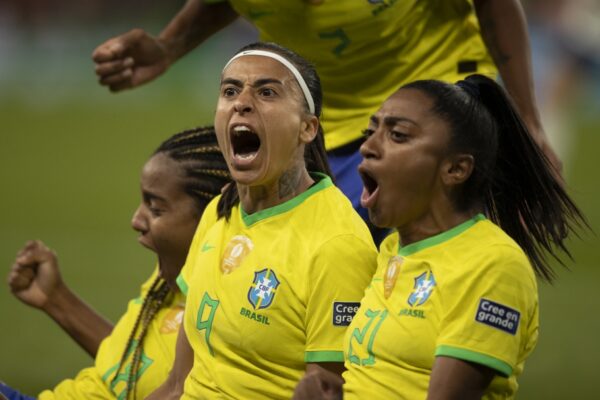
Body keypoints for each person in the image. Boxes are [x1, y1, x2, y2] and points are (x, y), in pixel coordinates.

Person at [91, 0, 560, 244]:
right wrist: (168, 46)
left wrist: (528, 121)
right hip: (319, 121)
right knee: (320, 276)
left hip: (433, 96)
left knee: (416, 275)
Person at [292, 74, 586, 400]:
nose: (367, 147)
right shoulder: (393, 249)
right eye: (370, 131)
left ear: (456, 169)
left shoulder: (492, 264)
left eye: (398, 135)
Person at [146, 42, 378, 399]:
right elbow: (178, 383)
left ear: (307, 128)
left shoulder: (336, 245)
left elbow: (331, 392)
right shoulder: (220, 213)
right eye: (230, 91)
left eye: (267, 92)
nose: (242, 102)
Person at [3, 127, 230, 400]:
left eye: (156, 209)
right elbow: (131, 366)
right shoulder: (165, 279)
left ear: (210, 217)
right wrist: (56, 299)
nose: (136, 220)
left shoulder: (225, 312)